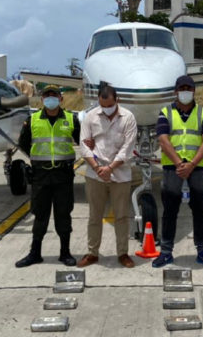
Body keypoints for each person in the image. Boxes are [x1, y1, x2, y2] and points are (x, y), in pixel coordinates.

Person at [152, 75, 203, 268]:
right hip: (173, 168)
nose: (185, 92)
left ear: (194, 91)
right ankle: (166, 251)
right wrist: (181, 163)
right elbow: (163, 140)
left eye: (189, 88)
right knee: (169, 211)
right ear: (175, 91)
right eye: (182, 88)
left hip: (196, 168)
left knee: (200, 211)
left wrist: (190, 164)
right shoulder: (165, 112)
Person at [15, 85, 80, 268]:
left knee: (63, 214)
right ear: (42, 99)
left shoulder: (71, 119)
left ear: (61, 99)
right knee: (40, 214)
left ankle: (65, 253)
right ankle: (35, 253)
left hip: (63, 175)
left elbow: (83, 140)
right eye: (47, 95)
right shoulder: (32, 119)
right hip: (41, 175)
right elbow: (24, 143)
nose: (50, 98)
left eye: (54, 95)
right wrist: (38, 159)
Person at [77, 84, 138, 268]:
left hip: (120, 174)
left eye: (109, 105)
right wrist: (98, 168)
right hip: (95, 175)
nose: (106, 109)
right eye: (102, 105)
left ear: (117, 100)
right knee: (94, 216)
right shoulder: (90, 116)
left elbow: (127, 148)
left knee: (121, 216)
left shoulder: (128, 118)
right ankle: (92, 253)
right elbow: (84, 145)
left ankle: (123, 253)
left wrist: (110, 168)